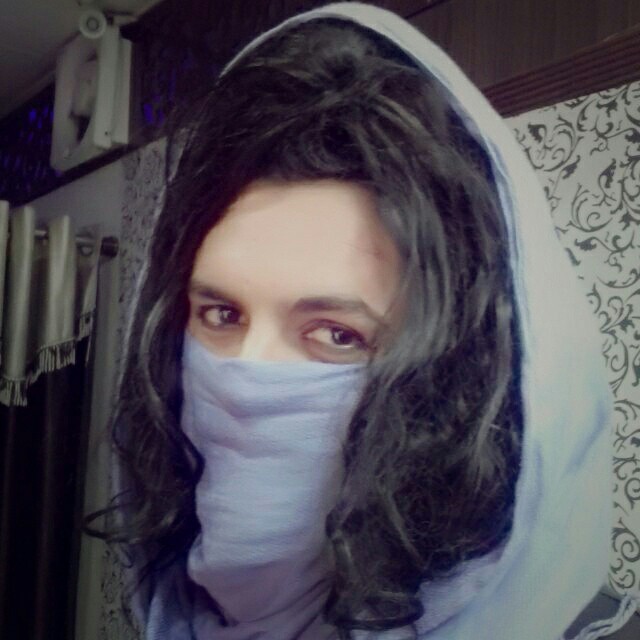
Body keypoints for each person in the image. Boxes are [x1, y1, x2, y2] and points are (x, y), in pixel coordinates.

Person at [87, 3, 617, 639]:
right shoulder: (176, 613)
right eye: (221, 314)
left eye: (338, 335)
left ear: (452, 379)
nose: (246, 373)